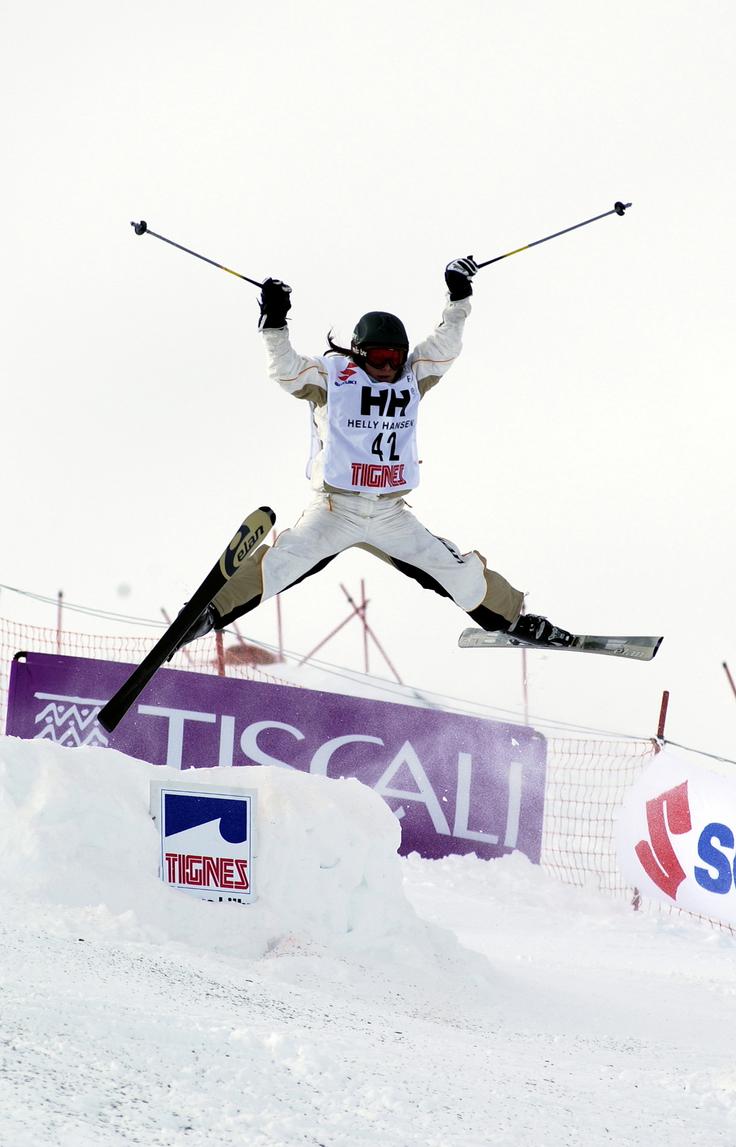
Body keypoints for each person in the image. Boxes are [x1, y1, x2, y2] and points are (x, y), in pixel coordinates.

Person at [180, 257, 573, 650]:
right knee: (281, 565)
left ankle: (516, 619)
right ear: (357, 352)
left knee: (457, 571)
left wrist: (459, 296)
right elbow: (285, 370)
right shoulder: (332, 378)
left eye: (394, 358)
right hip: (336, 510)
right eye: (377, 358)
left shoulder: (412, 376)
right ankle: (206, 614)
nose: (386, 368)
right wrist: (275, 322)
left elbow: (446, 343)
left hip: (389, 514)